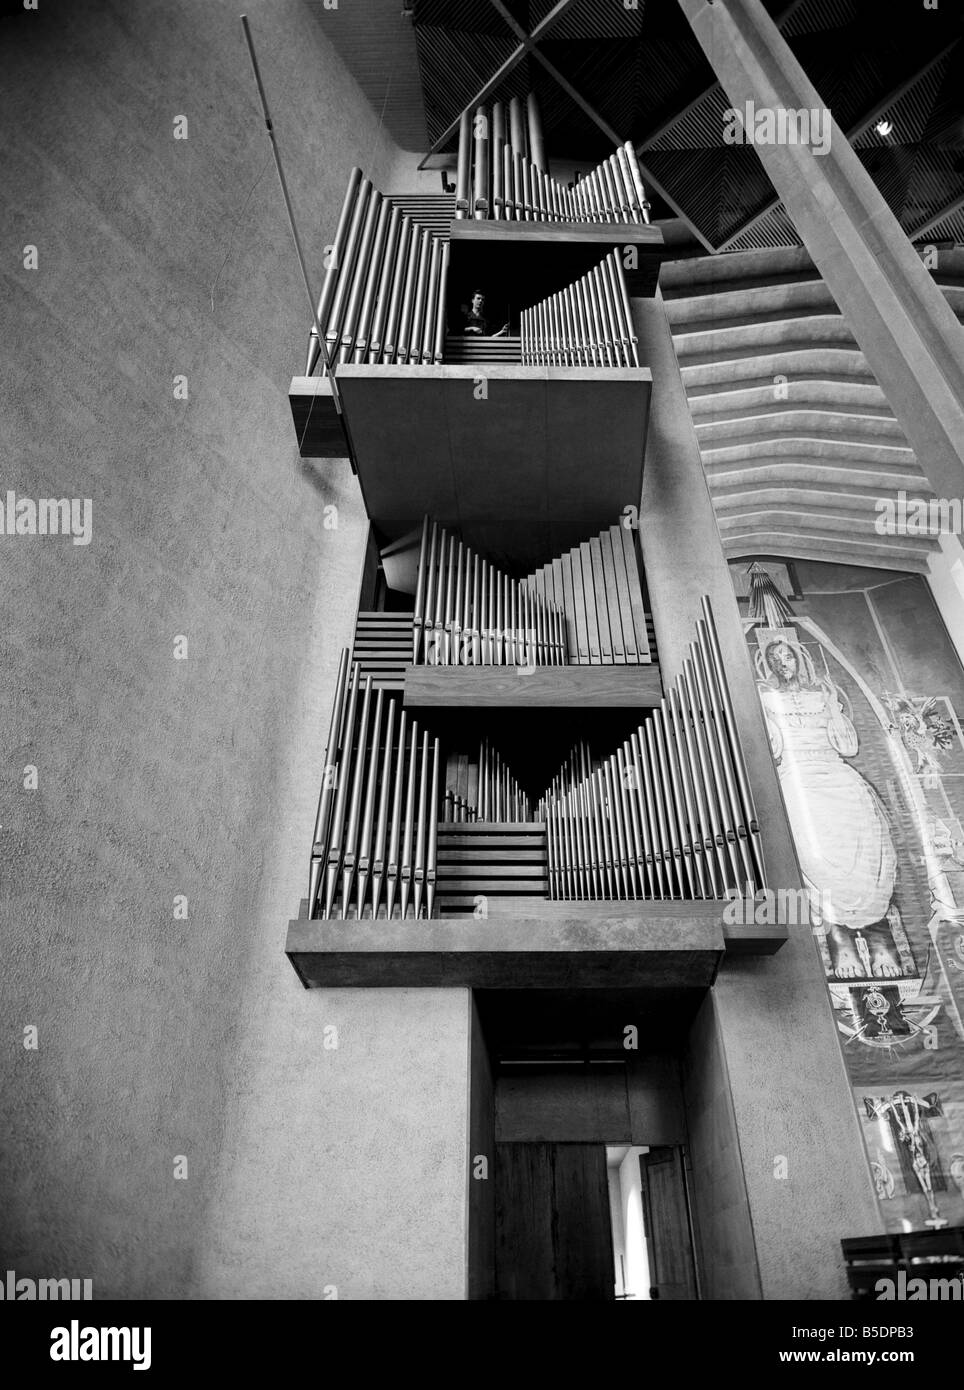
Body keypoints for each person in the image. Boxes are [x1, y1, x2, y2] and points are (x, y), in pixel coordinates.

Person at [757, 636, 901, 980]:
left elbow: (848, 748)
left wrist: (834, 708)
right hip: (797, 776)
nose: (782, 663)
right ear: (768, 664)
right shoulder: (765, 698)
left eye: (786, 656)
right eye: (774, 658)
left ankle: (878, 936)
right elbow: (773, 748)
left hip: (835, 771)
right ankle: (841, 940)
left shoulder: (822, 694)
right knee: (811, 848)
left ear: (798, 658)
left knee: (865, 842)